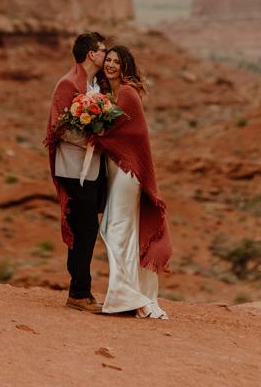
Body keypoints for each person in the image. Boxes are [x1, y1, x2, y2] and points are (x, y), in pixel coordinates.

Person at [95, 44, 171, 319]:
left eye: (116, 61)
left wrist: (94, 132)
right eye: (108, 61)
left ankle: (125, 298)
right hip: (120, 170)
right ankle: (130, 296)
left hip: (129, 173)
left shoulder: (126, 93)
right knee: (124, 231)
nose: (111, 65)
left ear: (125, 66)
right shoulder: (112, 93)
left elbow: (133, 134)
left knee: (116, 228)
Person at [45, 31, 107, 314]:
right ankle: (79, 292)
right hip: (72, 167)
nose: (107, 55)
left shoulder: (94, 84)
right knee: (85, 228)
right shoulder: (68, 83)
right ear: (91, 54)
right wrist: (93, 138)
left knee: (87, 228)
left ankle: (80, 291)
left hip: (90, 167)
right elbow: (59, 127)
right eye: (103, 50)